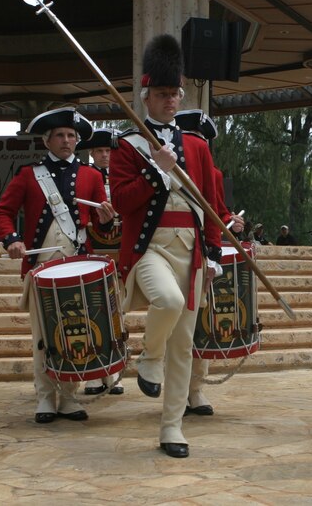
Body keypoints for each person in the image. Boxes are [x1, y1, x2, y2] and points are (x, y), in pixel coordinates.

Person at [109, 34, 223, 458]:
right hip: (150, 248)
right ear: (146, 97)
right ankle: (148, 355)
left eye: (174, 93)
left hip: (192, 250)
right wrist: (155, 173)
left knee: (184, 345)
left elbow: (210, 205)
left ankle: (172, 427)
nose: (170, 100)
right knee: (168, 302)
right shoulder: (128, 146)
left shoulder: (197, 146)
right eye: (161, 94)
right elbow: (122, 202)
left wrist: (213, 252)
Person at [0, 108, 115, 422]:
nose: (66, 140)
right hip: (41, 266)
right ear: (47, 140)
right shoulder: (28, 175)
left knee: (75, 331)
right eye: (60, 135)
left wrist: (105, 219)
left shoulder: (91, 176)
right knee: (42, 336)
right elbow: (3, 213)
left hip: (79, 265)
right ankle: (45, 397)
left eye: (71, 135)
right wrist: (12, 239)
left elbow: (101, 229)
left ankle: (69, 398)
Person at [173, 109, 245, 417]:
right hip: (169, 251)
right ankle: (175, 389)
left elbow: (217, 211)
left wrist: (232, 222)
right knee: (174, 320)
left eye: (201, 141)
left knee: (201, 322)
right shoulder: (161, 164)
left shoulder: (212, 173)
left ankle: (195, 389)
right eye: (191, 138)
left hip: (201, 252)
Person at [76, 127, 127, 397]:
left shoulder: (126, 176)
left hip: (122, 250)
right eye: (100, 151)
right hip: (93, 248)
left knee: (117, 310)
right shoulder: (83, 177)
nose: (105, 155)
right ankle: (94, 373)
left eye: (109, 151)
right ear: (91, 153)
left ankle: (114, 371)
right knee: (92, 309)